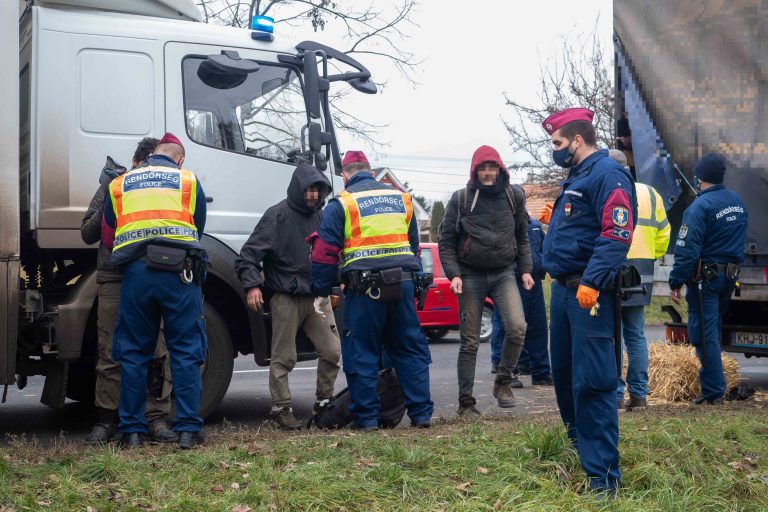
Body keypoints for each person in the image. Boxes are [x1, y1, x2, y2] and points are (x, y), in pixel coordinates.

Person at [538, 107, 636, 494]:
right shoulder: (577, 175)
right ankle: (581, 452)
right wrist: (552, 224)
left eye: (558, 143)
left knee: (592, 383)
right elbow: (584, 228)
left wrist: (593, 281)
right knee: (563, 376)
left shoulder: (608, 174)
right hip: (564, 292)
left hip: (588, 295)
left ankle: (603, 480)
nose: (555, 150)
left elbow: (617, 232)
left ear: (578, 140)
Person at [310, 150, 433, 430]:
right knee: (409, 349)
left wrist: (320, 289)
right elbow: (413, 246)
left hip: (365, 289)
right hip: (402, 283)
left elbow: (324, 253)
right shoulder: (401, 199)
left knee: (361, 351)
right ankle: (422, 415)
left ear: (345, 175)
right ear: (369, 169)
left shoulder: (343, 203)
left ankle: (366, 419)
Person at [103, 133, 208, 449]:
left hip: (137, 273)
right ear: (179, 159)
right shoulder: (188, 181)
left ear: (150, 155)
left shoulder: (120, 184)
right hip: (179, 274)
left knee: (134, 351)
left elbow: (111, 227)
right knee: (186, 350)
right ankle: (188, 430)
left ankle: (132, 431)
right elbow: (197, 225)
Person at [81, 137, 177, 444]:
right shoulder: (114, 184)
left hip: (153, 277)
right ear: (136, 162)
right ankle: (106, 420)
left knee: (157, 351)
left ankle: (155, 418)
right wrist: (112, 194)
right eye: (145, 163)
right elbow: (87, 232)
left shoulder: (164, 187)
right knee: (110, 350)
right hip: (115, 278)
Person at [235, 163, 341, 430]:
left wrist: (339, 282)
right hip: (286, 296)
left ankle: (324, 402)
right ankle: (281, 407)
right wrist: (252, 286)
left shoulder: (322, 217)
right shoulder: (277, 215)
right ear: (298, 188)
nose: (314, 196)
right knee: (284, 357)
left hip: (317, 296)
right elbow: (248, 256)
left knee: (332, 351)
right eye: (309, 190)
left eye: (318, 190)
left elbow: (334, 253)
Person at [438, 145, 533, 419]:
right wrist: (454, 274)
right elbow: (445, 242)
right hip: (470, 275)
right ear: (475, 171)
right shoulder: (462, 198)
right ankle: (466, 403)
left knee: (517, 327)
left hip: (504, 272)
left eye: (492, 168)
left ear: (500, 169)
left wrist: (526, 269)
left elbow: (523, 236)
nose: (488, 173)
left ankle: (503, 383)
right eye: (483, 168)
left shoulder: (514, 196)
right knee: (469, 342)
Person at [669, 153, 747, 405]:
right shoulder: (736, 201)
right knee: (713, 330)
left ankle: (713, 391)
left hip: (706, 280)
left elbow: (687, 250)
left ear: (699, 178)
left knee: (703, 333)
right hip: (728, 276)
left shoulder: (699, 207)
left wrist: (675, 281)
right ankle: (716, 385)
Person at [608, 149, 671, 412]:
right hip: (641, 272)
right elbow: (664, 231)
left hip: (612, 268)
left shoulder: (606, 189)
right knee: (635, 335)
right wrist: (651, 256)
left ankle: (616, 396)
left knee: (612, 336)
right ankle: (640, 396)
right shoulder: (650, 193)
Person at [490, 194, 552, 386]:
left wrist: (542, 265)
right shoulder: (502, 225)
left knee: (538, 327)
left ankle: (541, 372)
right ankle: (509, 373)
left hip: (534, 282)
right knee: (511, 328)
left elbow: (546, 246)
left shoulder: (533, 225)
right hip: (511, 282)